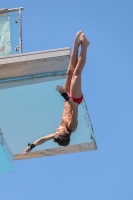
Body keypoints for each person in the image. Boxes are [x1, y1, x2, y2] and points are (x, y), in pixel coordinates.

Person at [22, 31, 90, 155]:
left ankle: (76, 44)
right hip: (74, 99)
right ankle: (85, 46)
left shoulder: (59, 132)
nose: (56, 129)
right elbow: (75, 108)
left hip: (66, 97)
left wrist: (31, 146)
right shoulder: (71, 127)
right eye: (58, 131)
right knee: (76, 74)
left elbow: (43, 139)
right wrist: (64, 95)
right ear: (64, 133)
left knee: (69, 71)